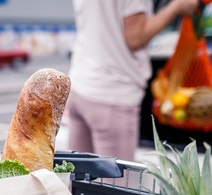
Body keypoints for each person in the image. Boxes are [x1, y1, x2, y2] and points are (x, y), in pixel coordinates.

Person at [67, 0, 200, 161]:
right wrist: (176, 7)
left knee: (76, 179)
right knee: (116, 183)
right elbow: (135, 37)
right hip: (113, 93)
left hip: (80, 84)